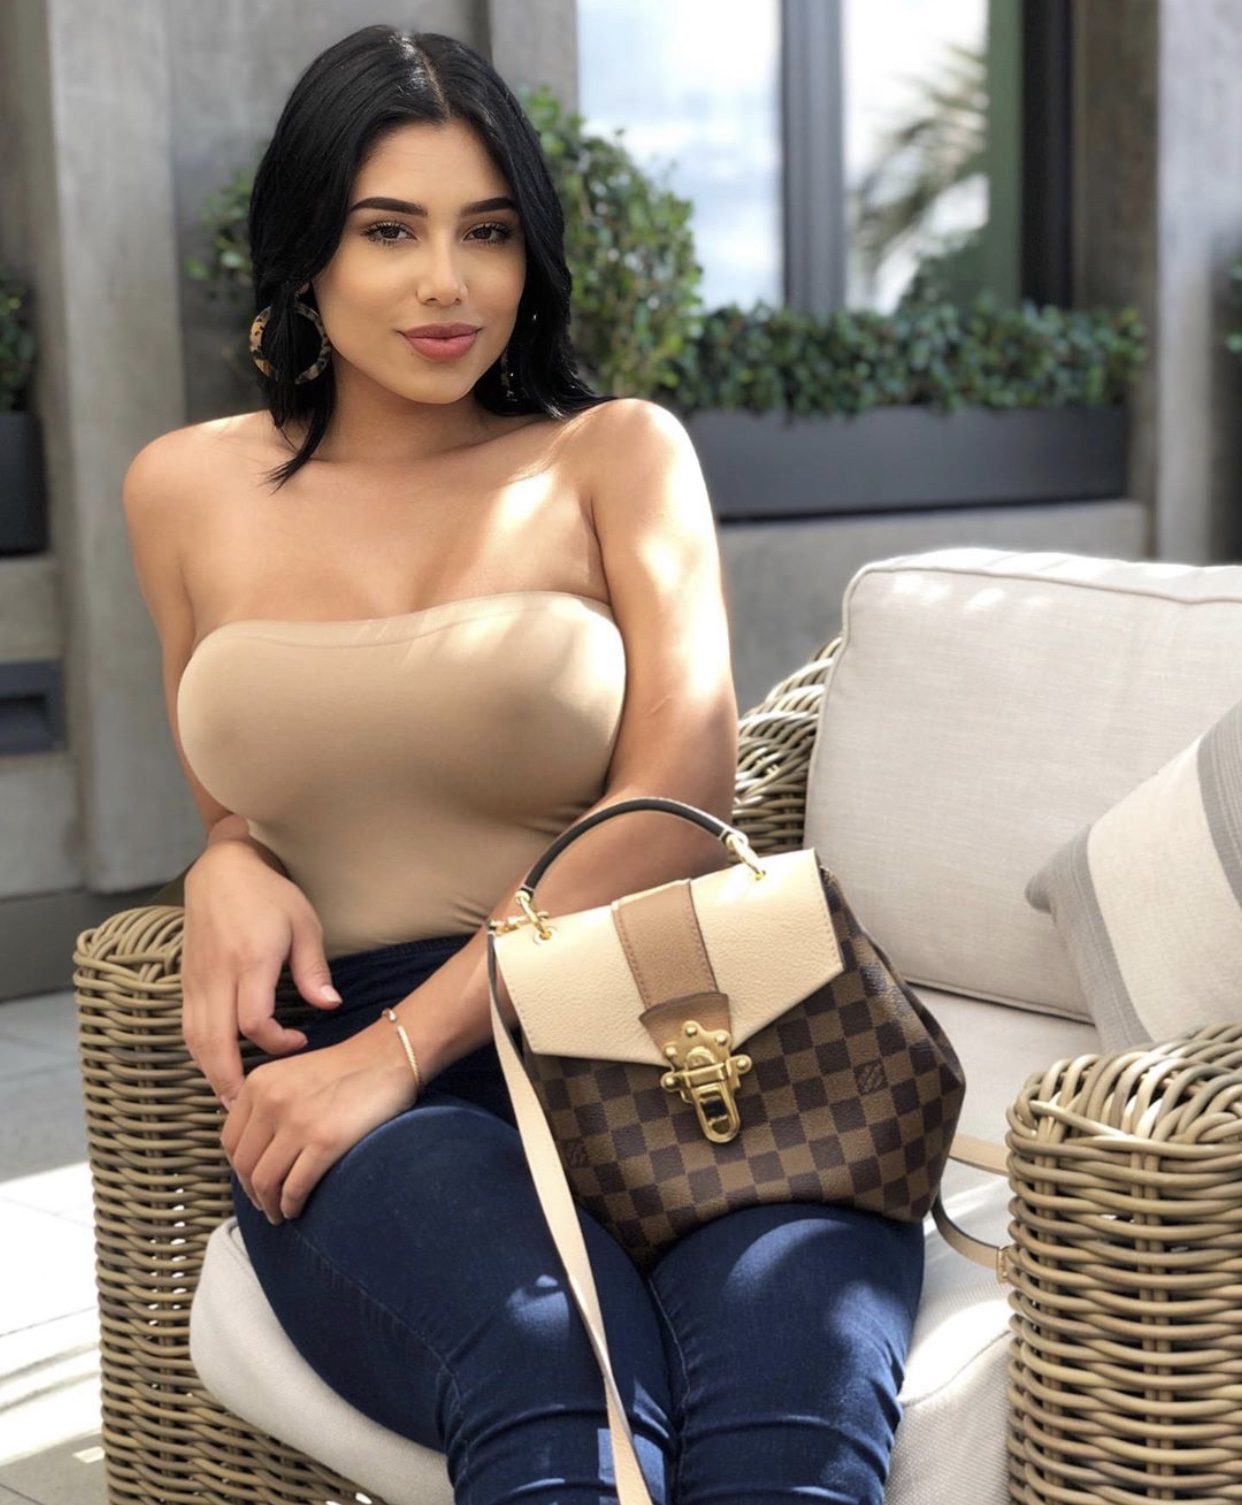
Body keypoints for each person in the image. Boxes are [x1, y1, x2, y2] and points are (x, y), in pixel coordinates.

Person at [122, 25, 924, 1504]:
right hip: (356, 1059)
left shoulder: (615, 455)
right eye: (390, 230)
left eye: (487, 231)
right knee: (555, 1374)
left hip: (669, 1022)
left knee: (788, 1425)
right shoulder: (182, 488)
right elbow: (240, 781)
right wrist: (224, 856)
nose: (449, 281)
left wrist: (399, 1049)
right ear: (304, 250)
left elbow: (678, 794)